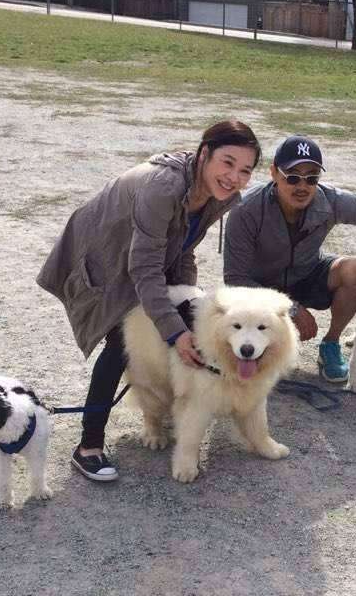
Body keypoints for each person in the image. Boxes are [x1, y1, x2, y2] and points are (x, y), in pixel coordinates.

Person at [37, 120, 262, 481]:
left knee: (177, 321)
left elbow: (184, 248)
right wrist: (174, 330)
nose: (234, 176)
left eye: (245, 170)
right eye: (227, 162)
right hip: (104, 253)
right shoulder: (165, 187)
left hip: (144, 254)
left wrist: (187, 302)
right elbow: (143, 269)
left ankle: (164, 410)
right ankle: (88, 446)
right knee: (120, 341)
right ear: (204, 154)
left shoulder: (215, 194)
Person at [223, 135, 356, 383]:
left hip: (307, 275)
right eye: (292, 177)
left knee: (353, 269)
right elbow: (235, 279)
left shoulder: (330, 200)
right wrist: (292, 309)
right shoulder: (245, 209)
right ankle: (256, 348)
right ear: (274, 174)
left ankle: (330, 345)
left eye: (311, 178)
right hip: (260, 289)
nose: (302, 186)